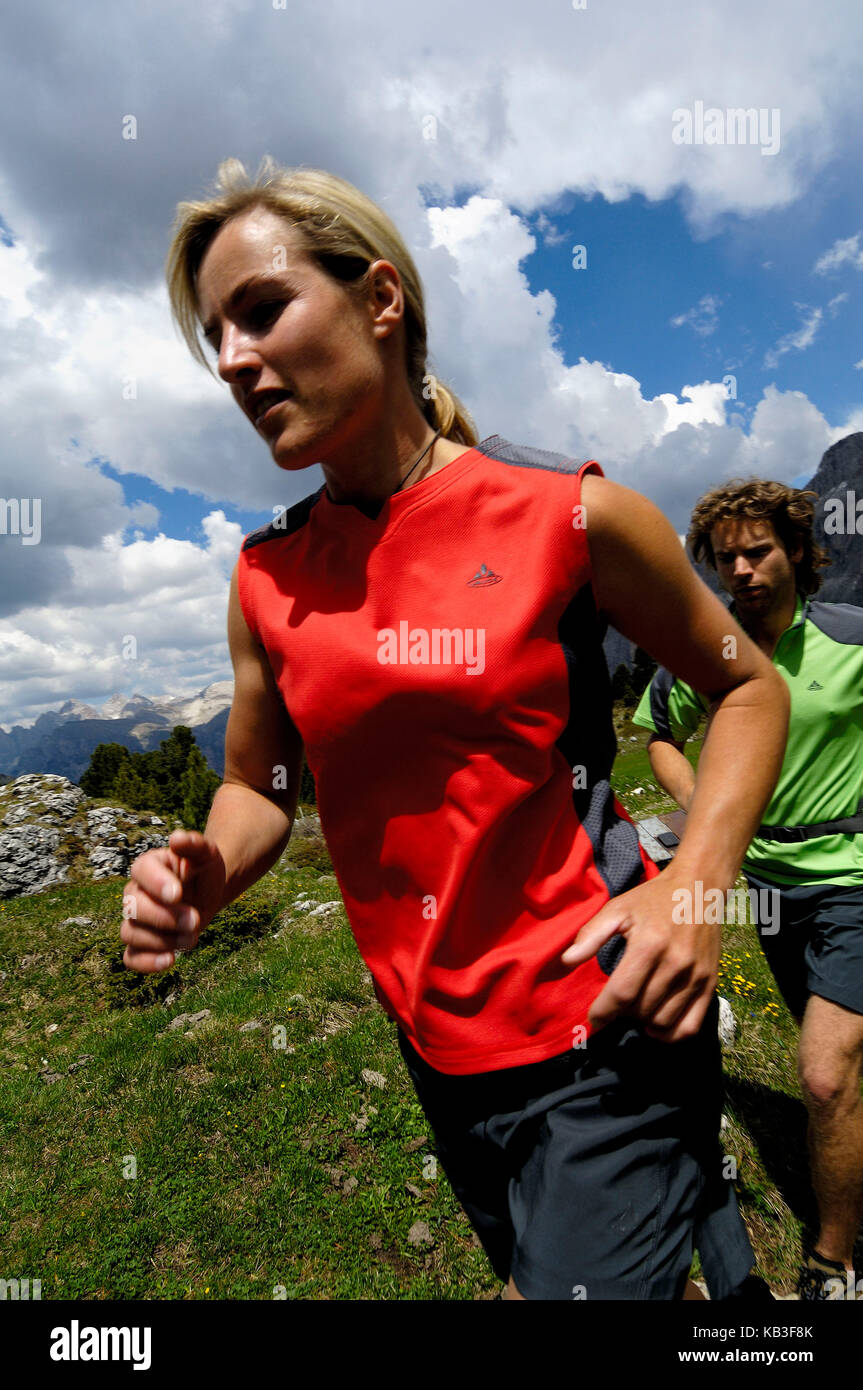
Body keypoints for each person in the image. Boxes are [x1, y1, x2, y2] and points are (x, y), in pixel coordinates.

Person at [119, 156, 790, 1300]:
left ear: (380, 300)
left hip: (602, 1016)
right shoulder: (263, 576)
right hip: (438, 1049)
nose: (233, 360)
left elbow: (747, 687)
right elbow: (259, 787)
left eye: (262, 309)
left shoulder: (565, 512)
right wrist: (205, 870)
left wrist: (699, 883)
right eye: (215, 336)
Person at [633, 478, 863, 1300]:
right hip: (764, 887)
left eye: (756, 550)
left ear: (798, 552)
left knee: (826, 1076)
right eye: (723, 557)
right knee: (826, 1054)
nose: (739, 569)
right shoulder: (711, 651)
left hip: (852, 880)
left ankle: (833, 1262)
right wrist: (708, 813)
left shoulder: (851, 638)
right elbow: (659, 735)